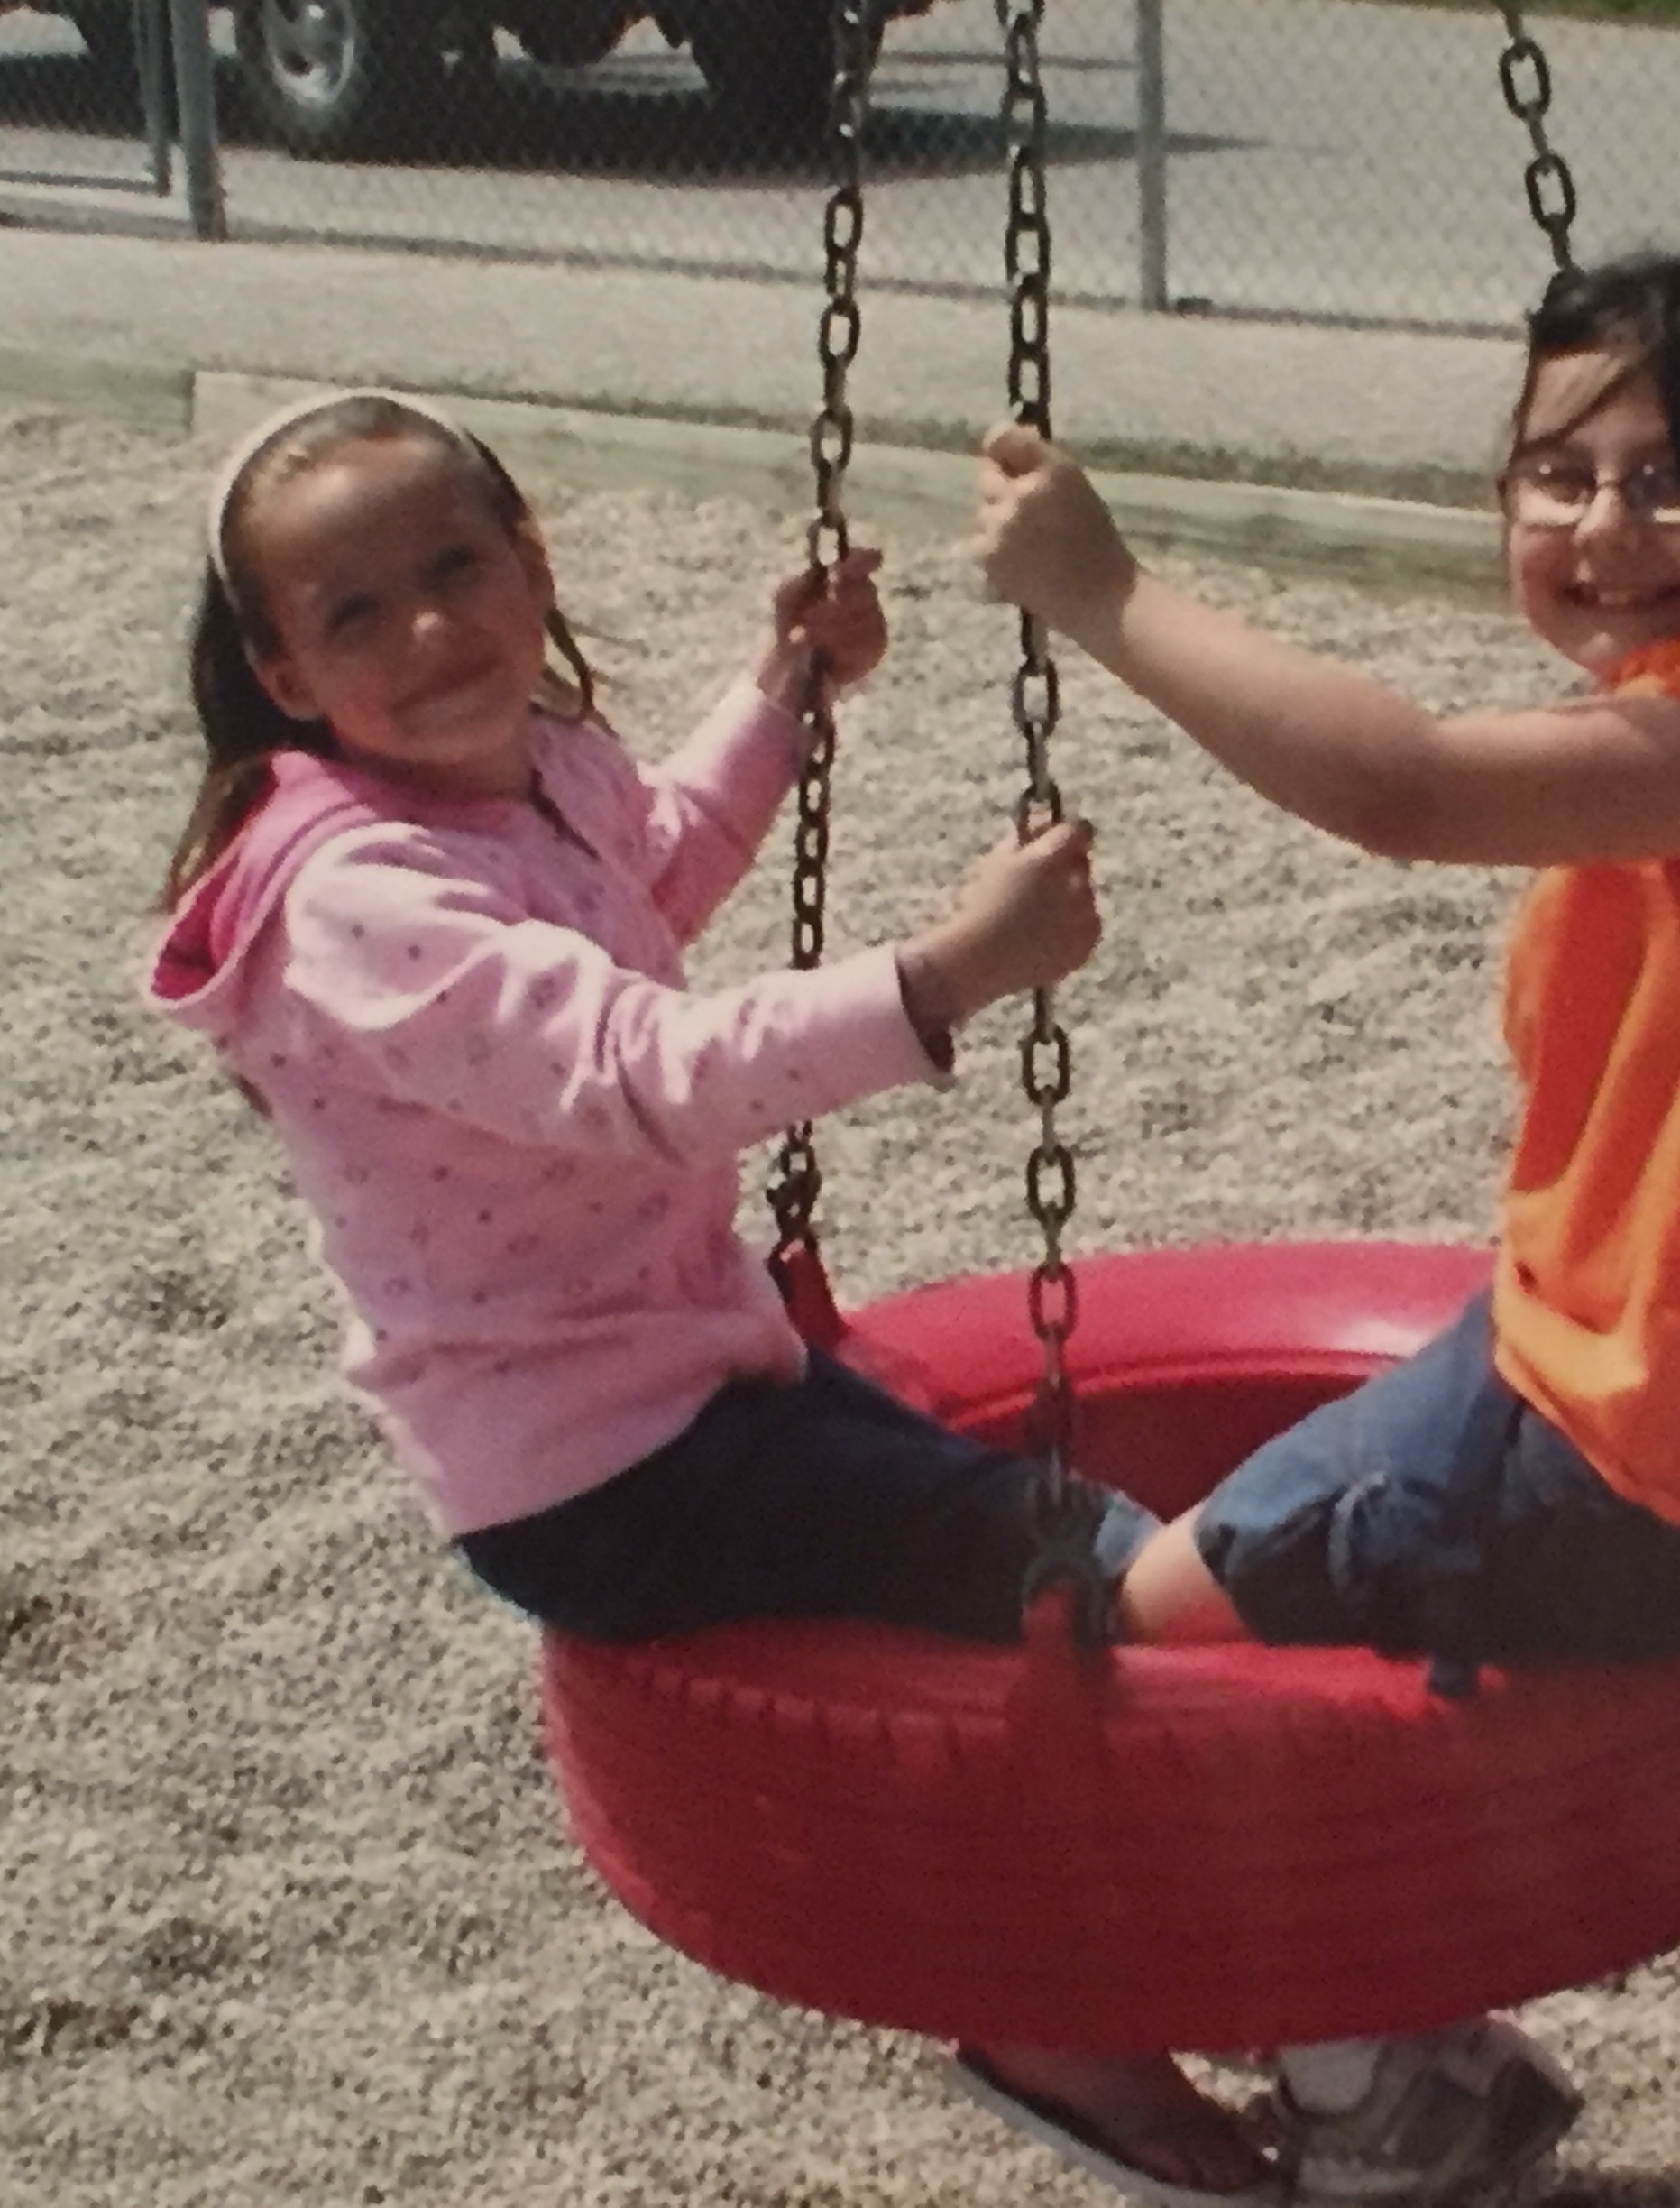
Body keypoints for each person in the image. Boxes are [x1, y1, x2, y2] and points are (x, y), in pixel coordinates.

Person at [144, 388, 1282, 2208]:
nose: (432, 631)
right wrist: (948, 974)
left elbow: (655, 864)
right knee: (1080, 1569)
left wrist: (783, 690)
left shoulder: (531, 764)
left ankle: (1137, 1969)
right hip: (596, 1469)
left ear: (531, 564)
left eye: (456, 567)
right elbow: (644, 1065)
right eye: (356, 615)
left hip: (696, 1373)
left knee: (1011, 1571)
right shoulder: (355, 898)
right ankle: (1083, 2020)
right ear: (282, 674)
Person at [972, 253, 1680, 2203]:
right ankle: (1405, 2044)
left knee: (1146, 1654)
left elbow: (1405, 786)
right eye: (1560, 475)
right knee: (1286, 1540)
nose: (1607, 526)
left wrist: (1101, 592)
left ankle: (1370, 2094)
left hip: (1627, 1449)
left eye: (1676, 481)